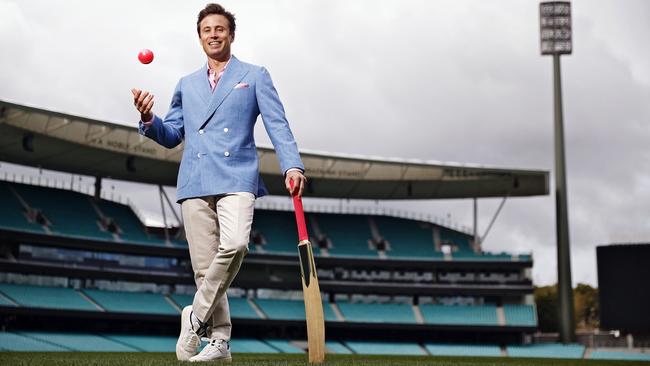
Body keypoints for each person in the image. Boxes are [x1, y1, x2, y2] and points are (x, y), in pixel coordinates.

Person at [131, 3, 306, 362]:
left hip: (238, 175)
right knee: (204, 267)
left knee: (237, 243)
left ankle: (194, 318)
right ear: (200, 37)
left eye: (220, 29)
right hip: (195, 179)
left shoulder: (255, 75)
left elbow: (278, 124)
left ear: (231, 34)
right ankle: (220, 342)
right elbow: (172, 134)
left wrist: (292, 166)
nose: (214, 34)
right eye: (207, 29)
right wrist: (149, 119)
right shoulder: (186, 84)